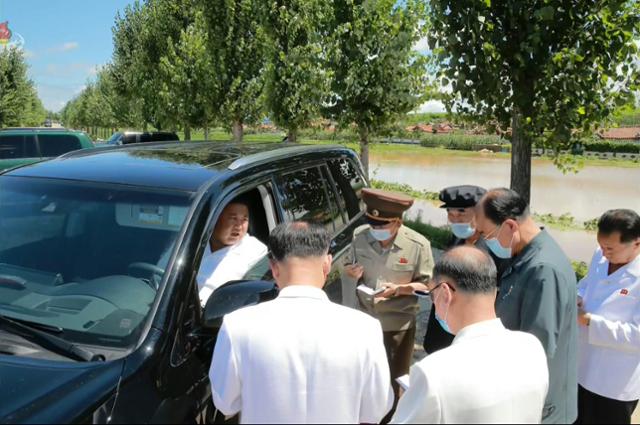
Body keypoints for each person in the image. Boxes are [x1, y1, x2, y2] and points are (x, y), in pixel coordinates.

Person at [209, 222, 393, 424]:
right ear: (327, 264)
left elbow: (226, 403)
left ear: (274, 268)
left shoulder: (237, 325)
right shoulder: (365, 328)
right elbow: (376, 408)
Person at [392, 246, 549, 424]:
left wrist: (409, 401)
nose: (434, 302)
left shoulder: (432, 373)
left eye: (432, 295)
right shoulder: (531, 347)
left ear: (445, 293)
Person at [475, 188, 578, 424]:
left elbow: (535, 351)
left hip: (540, 408)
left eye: (485, 233)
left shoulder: (543, 270)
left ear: (510, 226)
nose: (483, 241)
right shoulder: (525, 256)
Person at [343, 188, 434, 419]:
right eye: (373, 224)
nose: (376, 230)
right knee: (363, 379)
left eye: (382, 226)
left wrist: (400, 290)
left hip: (397, 326)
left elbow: (428, 286)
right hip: (364, 322)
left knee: (393, 383)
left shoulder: (418, 245)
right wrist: (351, 274)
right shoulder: (360, 236)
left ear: (398, 221)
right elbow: (349, 268)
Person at [423, 185, 510, 354]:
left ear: (479, 214)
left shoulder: (496, 248)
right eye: (451, 214)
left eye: (462, 214)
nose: (456, 221)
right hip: (444, 330)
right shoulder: (457, 239)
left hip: (473, 333)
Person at [576, 209, 640, 425]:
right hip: (582, 366)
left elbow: (637, 336)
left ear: (637, 244)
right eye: (601, 246)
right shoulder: (601, 255)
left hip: (615, 382)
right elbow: (587, 283)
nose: (603, 254)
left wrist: (591, 322)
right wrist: (577, 296)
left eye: (610, 248)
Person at [196, 197, 267, 306]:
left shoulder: (255, 250)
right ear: (215, 219)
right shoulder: (195, 242)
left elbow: (248, 296)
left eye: (244, 219)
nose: (239, 226)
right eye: (233, 218)